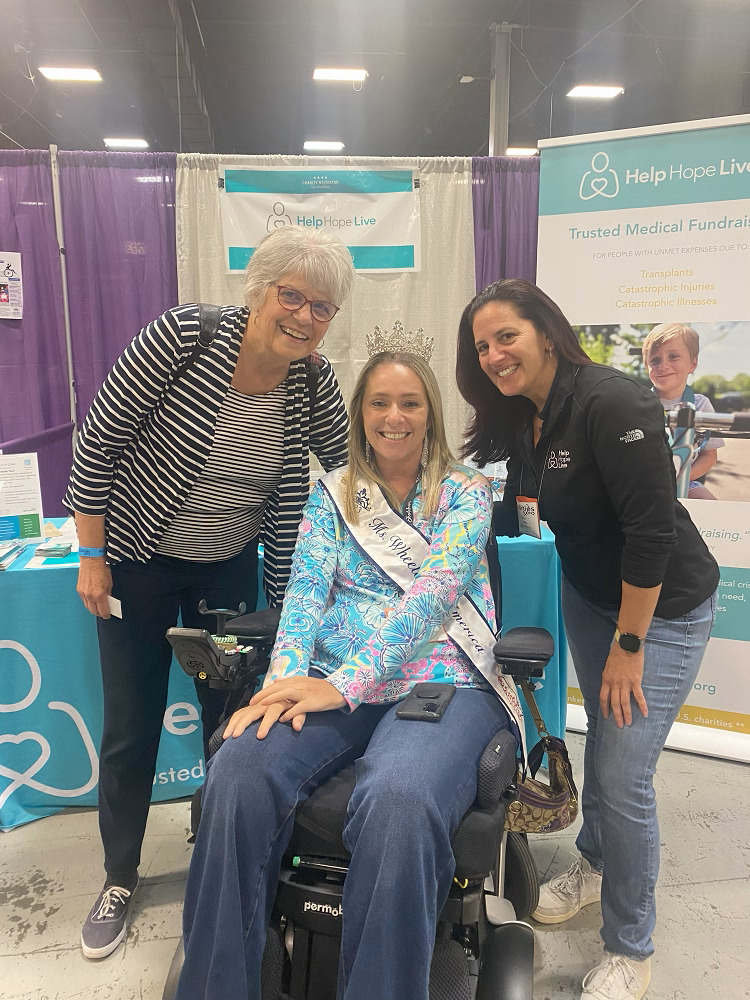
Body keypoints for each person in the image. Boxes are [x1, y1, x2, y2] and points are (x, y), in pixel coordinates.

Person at [174, 343, 526, 1000]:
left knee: (398, 798)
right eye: (380, 403)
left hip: (439, 681)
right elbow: (302, 597)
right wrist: (282, 683)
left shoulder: (465, 491)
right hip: (333, 682)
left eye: (410, 403)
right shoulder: (333, 494)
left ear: (431, 412)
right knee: (237, 768)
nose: (395, 417)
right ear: (361, 413)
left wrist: (341, 686)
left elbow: (432, 601)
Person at [64, 226, 355, 960]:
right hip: (136, 560)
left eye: (322, 308)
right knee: (133, 724)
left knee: (230, 722)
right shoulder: (185, 337)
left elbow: (355, 465)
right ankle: (120, 874)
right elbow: (98, 440)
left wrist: (433, 506)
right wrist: (91, 555)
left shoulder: (311, 380)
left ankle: (220, 857)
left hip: (227, 566)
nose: (304, 317)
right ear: (257, 292)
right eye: (292, 296)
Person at [456, 280, 719, 1000]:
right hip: (592, 595)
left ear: (545, 331)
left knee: (624, 774)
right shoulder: (524, 416)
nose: (494, 355)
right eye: (482, 346)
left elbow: (653, 532)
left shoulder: (613, 400)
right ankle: (597, 860)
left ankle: (630, 947)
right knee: (601, 736)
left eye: (505, 336)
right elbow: (509, 508)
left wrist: (630, 648)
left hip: (662, 608)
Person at [642, 322, 723, 500]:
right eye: (655, 360)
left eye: (673, 356)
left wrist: (679, 479)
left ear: (692, 364)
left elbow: (709, 456)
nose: (663, 366)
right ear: (646, 366)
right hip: (645, 483)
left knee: (715, 512)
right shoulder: (638, 403)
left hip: (687, 481)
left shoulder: (700, 404)